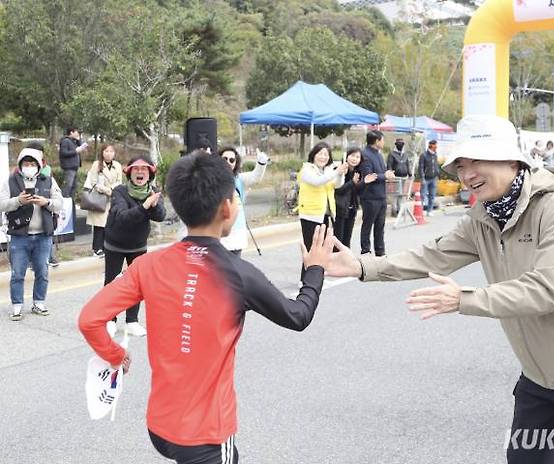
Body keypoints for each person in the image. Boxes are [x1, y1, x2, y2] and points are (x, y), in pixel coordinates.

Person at [326, 115, 554, 463]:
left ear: (511, 159)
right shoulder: (483, 218)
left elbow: (547, 289)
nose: (466, 174)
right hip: (539, 378)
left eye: (477, 160)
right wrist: (361, 266)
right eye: (460, 165)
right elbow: (431, 255)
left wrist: (462, 299)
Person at [78, 151, 334, 464]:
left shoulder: (148, 265)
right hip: (207, 436)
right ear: (227, 208)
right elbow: (298, 315)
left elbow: (90, 319)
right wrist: (315, 270)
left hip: (159, 426)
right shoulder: (238, 273)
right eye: (236, 198)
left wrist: (116, 355)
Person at [103, 155, 166, 337]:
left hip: (138, 245)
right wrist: (145, 206)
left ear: (150, 174)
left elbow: (160, 216)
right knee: (112, 283)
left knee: (137, 284)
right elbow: (122, 218)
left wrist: (153, 205)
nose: (140, 172)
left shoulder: (152, 191)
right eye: (136, 169)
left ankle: (132, 321)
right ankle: (110, 319)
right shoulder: (119, 192)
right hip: (115, 243)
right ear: (129, 173)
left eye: (144, 169)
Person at [0, 148, 63, 321]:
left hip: (43, 236)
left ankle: (39, 303)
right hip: (19, 236)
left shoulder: (48, 180)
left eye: (33, 163)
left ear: (39, 165)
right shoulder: (10, 181)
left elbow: (59, 203)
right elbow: (2, 204)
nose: (29, 166)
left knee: (42, 271)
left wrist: (46, 202)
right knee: (17, 273)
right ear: (20, 165)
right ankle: (17, 307)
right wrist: (18, 201)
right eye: (26, 164)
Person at [297, 142, 347, 279]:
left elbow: (337, 185)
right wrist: (336, 171)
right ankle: (304, 279)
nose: (323, 157)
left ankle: (315, 276)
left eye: (326, 154)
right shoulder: (307, 169)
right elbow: (317, 182)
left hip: (324, 215)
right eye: (320, 153)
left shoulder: (326, 171)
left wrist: (341, 174)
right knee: (311, 248)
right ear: (313, 155)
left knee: (320, 249)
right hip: (310, 215)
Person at [218, 146, 268, 256]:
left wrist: (261, 162)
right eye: (224, 159)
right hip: (217, 234)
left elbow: (255, 177)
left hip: (236, 235)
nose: (228, 162)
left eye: (232, 160)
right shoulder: (211, 179)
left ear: (236, 163)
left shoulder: (239, 179)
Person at [83, 144, 122, 257]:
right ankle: (97, 248)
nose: (108, 153)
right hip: (99, 197)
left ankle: (107, 247)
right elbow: (93, 182)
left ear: (114, 153)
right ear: (102, 152)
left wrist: (112, 190)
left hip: (112, 198)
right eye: (106, 151)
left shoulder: (117, 165)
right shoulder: (96, 164)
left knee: (109, 224)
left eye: (111, 151)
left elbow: (119, 181)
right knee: (99, 225)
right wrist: (106, 190)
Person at [359, 130, 395, 256]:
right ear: (377, 141)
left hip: (381, 196)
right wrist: (384, 175)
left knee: (380, 226)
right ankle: (365, 251)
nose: (384, 142)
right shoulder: (365, 155)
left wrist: (387, 174)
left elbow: (382, 172)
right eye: (383, 140)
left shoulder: (379, 154)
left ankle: (380, 252)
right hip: (369, 197)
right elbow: (368, 175)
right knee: (367, 226)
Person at [334, 147, 364, 248]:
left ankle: (345, 262)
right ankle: (336, 262)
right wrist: (352, 182)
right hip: (340, 209)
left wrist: (363, 183)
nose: (354, 159)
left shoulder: (357, 172)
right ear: (346, 156)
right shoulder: (340, 170)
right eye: (352, 156)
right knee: (338, 240)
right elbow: (338, 190)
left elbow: (358, 192)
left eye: (357, 157)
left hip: (351, 210)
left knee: (347, 240)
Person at [58, 127, 88, 198]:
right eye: (77, 132)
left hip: (74, 167)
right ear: (71, 132)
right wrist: (75, 151)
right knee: (68, 185)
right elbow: (63, 153)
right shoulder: (65, 141)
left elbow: (80, 145)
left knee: (74, 186)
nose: (78, 134)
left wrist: (78, 140)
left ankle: (71, 202)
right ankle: (63, 200)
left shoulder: (73, 141)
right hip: (69, 167)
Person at [418, 140, 440, 216]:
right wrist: (422, 178)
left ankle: (429, 211)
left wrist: (437, 174)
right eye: (435, 145)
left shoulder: (435, 155)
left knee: (432, 195)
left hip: (434, 178)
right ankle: (420, 211)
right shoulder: (423, 155)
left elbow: (436, 165)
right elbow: (420, 167)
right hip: (426, 179)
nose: (436, 147)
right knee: (422, 195)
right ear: (431, 145)